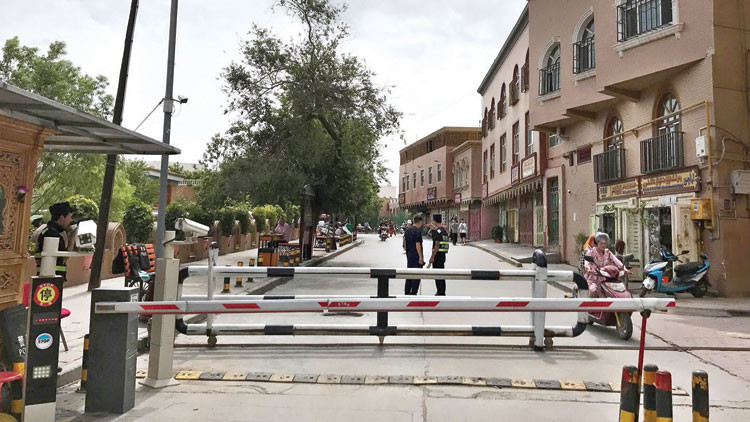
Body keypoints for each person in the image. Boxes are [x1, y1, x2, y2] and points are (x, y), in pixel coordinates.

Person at [36, 201, 74, 280]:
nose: (71, 220)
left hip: (51, 276)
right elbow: (63, 257)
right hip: (51, 277)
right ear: (61, 217)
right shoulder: (52, 233)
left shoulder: (49, 231)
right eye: (70, 217)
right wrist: (72, 240)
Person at [583, 232, 626, 298]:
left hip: (606, 278)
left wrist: (624, 268)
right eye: (601, 243)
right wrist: (588, 268)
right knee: (593, 291)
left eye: (605, 243)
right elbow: (587, 262)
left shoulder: (608, 252)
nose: (603, 245)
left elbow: (616, 260)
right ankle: (590, 304)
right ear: (597, 243)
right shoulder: (591, 252)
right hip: (593, 278)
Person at [403, 214, 425, 295]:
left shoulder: (408, 230)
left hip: (409, 256)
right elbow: (418, 244)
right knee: (416, 275)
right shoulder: (417, 231)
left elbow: (404, 243)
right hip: (416, 256)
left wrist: (408, 251)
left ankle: (407, 291)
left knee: (409, 274)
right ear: (420, 221)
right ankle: (413, 292)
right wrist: (421, 257)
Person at [428, 214, 449, 295]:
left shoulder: (436, 232)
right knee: (441, 274)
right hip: (443, 255)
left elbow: (436, 245)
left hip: (437, 255)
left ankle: (440, 292)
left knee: (437, 274)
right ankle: (442, 291)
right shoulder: (443, 231)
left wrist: (432, 257)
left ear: (434, 221)